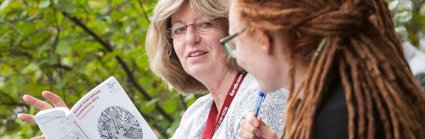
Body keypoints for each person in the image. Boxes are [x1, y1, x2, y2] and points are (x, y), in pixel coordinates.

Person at [18, 0, 288, 138]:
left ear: (230, 30)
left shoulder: (265, 91)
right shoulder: (195, 114)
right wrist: (77, 130)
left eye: (205, 24)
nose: (191, 38)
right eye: (180, 30)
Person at [223, 0, 425, 138]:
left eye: (235, 43)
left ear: (263, 39)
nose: (237, 58)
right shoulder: (348, 99)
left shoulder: (340, 120)